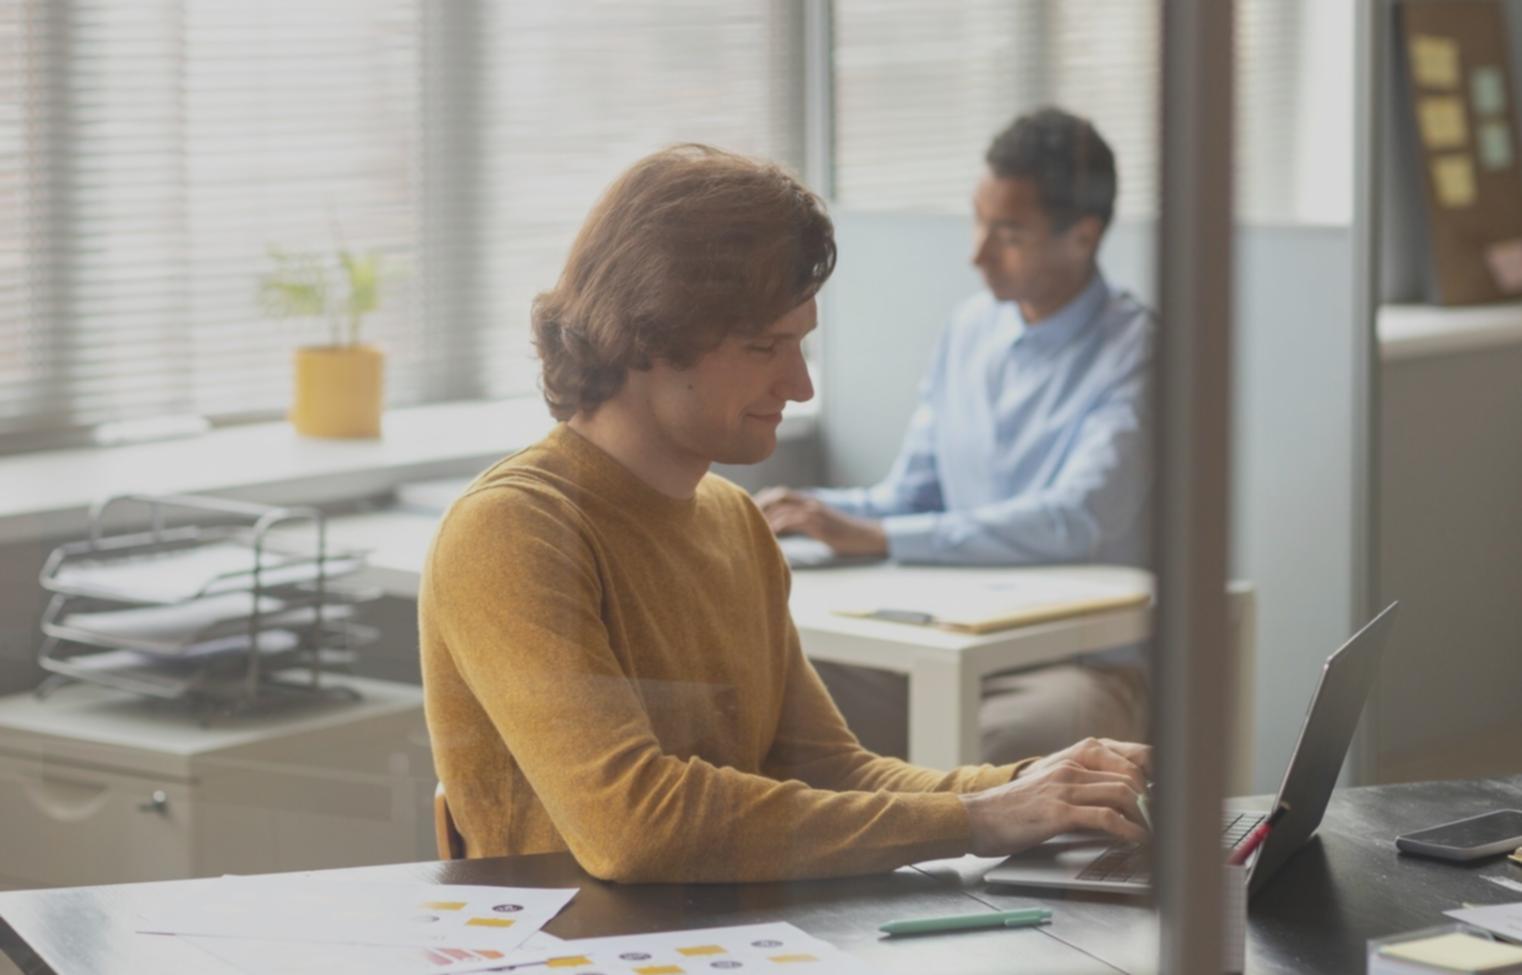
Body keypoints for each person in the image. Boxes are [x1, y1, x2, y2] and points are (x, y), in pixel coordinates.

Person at [419, 143, 1148, 884]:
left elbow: (832, 772)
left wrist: (1030, 788)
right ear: (649, 331)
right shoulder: (510, 532)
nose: (799, 385)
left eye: (799, 342)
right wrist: (977, 818)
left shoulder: (732, 521)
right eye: (765, 345)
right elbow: (634, 825)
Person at [758, 107, 1154, 764]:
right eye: (978, 218)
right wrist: (807, 512)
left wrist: (881, 537)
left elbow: (1076, 518)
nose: (976, 251)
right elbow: (912, 494)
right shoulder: (971, 329)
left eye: (1009, 233)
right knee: (770, 692)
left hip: (1075, 660)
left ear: (1083, 235)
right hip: (944, 641)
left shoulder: (1138, 351)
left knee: (999, 744)